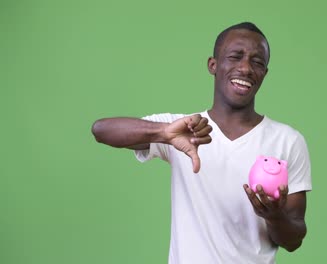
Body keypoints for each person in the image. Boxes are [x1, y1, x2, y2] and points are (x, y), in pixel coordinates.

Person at [92, 22, 312, 264]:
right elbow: (101, 130)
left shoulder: (288, 141)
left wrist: (274, 216)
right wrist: (164, 133)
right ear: (213, 65)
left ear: (265, 73)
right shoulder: (184, 129)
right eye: (235, 56)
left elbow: (294, 240)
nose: (246, 68)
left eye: (257, 62)